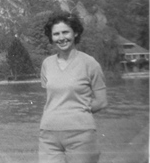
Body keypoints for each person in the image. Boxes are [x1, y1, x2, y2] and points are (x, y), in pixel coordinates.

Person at [39, 11, 108, 163]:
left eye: (65, 32)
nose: (61, 38)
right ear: (51, 37)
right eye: (56, 34)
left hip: (81, 135)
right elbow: (54, 98)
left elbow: (102, 102)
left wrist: (78, 111)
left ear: (75, 33)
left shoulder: (90, 63)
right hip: (48, 135)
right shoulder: (47, 64)